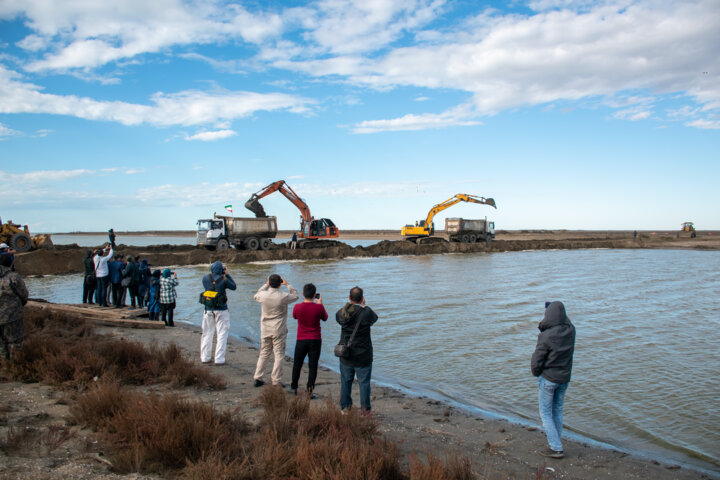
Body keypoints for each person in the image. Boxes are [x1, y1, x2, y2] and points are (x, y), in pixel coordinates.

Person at [531, 301, 576, 459]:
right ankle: (556, 443)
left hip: (548, 379)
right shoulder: (571, 331)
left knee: (545, 413)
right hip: (564, 378)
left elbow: (537, 360)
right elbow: (566, 320)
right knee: (557, 411)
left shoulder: (546, 336)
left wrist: (536, 373)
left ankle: (556, 447)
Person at [336, 286, 378, 412]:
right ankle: (365, 410)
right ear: (362, 299)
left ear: (349, 298)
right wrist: (364, 306)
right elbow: (374, 318)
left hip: (346, 353)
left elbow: (338, 317)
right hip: (363, 354)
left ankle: (345, 408)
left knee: (345, 382)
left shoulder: (342, 313)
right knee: (364, 383)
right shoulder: (366, 313)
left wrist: (349, 305)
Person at [252, 274, 299, 387]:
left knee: (264, 352)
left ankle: (258, 377)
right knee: (278, 355)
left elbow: (256, 295)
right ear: (280, 284)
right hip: (278, 329)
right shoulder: (283, 296)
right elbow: (296, 295)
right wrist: (288, 285)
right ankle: (276, 380)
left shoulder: (263, 295)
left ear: (270, 283)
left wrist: (265, 285)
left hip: (265, 328)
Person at [290, 283, 327, 396]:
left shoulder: (297, 307)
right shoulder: (318, 307)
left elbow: (295, 316)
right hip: (315, 339)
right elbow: (325, 318)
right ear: (315, 295)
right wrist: (320, 304)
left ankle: (294, 387)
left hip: (301, 338)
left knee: (297, 363)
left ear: (303, 294)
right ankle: (309, 391)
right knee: (313, 366)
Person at [200, 261, 237, 366]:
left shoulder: (205, 278)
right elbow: (234, 287)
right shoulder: (224, 279)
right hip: (221, 309)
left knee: (207, 333)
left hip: (208, 308)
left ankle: (205, 357)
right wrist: (227, 274)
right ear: (221, 269)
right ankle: (219, 359)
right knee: (222, 334)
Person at [0, 254, 28, 361]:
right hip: (12, 316)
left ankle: (5, 367)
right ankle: (15, 366)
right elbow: (24, 295)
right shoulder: (13, 277)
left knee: (1, 344)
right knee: (15, 342)